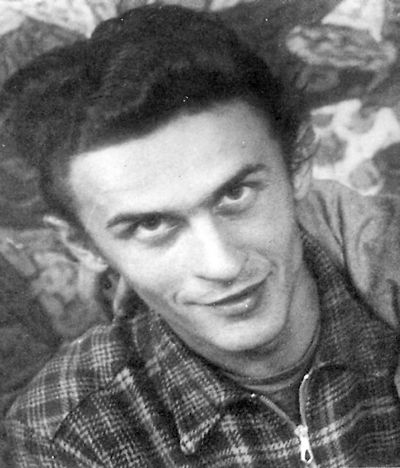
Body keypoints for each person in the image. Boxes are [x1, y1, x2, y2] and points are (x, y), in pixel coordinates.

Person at [3, 5, 400, 467]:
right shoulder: (66, 433)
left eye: (235, 194)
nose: (222, 264)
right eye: (152, 225)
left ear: (297, 166)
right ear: (84, 247)